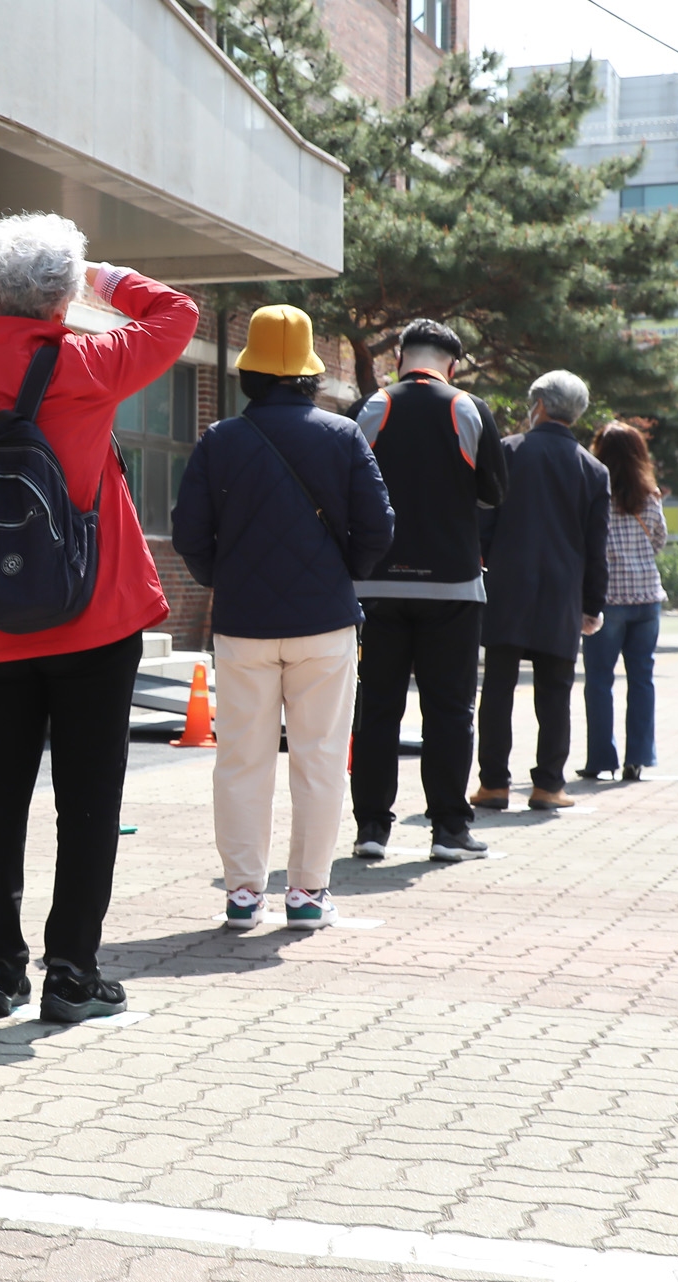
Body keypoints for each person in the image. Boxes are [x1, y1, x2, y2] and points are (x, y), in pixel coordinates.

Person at [0, 212, 198, 1022]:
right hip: (96, 621)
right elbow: (177, 313)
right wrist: (98, 275)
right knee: (88, 800)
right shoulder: (92, 363)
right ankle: (72, 972)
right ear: (60, 297)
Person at [171, 305, 393, 929]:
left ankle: (243, 894)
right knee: (320, 757)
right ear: (308, 374)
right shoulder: (343, 435)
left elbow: (188, 531)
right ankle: (307, 895)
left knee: (242, 757)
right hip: (324, 625)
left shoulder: (220, 440)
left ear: (249, 373)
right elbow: (379, 527)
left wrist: (225, 577)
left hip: (243, 626)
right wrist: (338, 572)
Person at [349, 320, 507, 862]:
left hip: (376, 584)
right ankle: (448, 830)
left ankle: (371, 828)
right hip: (453, 586)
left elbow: (347, 484)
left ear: (398, 358)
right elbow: (494, 493)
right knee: (450, 710)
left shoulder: (373, 407)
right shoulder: (468, 408)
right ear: (452, 365)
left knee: (376, 708)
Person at [473, 371, 610, 812]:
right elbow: (596, 546)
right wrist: (592, 604)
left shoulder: (509, 452)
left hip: (507, 588)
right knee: (555, 693)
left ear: (540, 405)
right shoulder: (593, 470)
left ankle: (493, 784)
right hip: (562, 595)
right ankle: (548, 785)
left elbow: (484, 525)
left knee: (497, 689)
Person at [579, 421, 666, 782]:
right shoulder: (650, 496)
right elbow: (659, 540)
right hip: (648, 598)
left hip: (607, 600)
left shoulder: (593, 492)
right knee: (642, 679)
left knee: (599, 680)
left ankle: (601, 759)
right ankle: (639, 757)